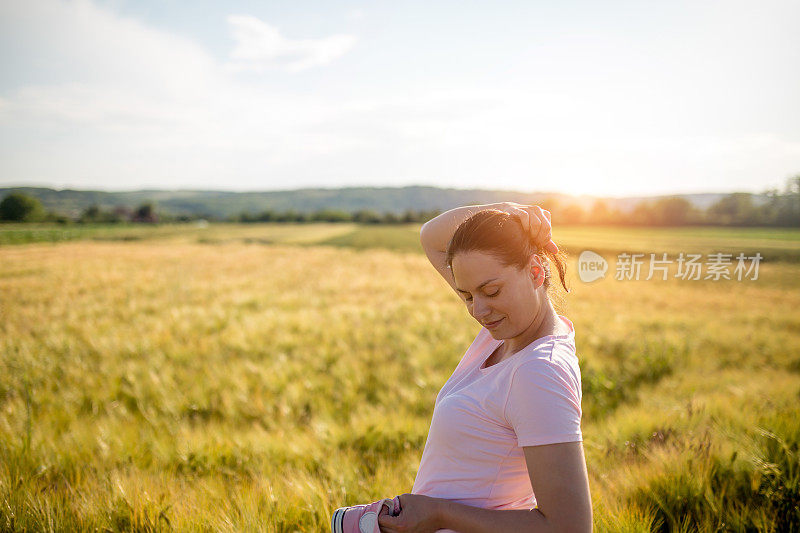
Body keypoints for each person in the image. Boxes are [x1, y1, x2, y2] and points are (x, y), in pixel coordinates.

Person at [332, 202, 592, 533]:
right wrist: (510, 213)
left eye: (491, 291)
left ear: (536, 271)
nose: (478, 311)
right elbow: (432, 236)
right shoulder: (503, 332)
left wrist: (439, 514)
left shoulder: (539, 372)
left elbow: (570, 527)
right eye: (466, 295)